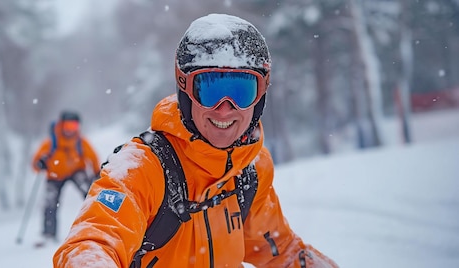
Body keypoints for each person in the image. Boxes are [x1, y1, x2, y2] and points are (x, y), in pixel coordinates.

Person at [53, 14, 338, 267]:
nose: (225, 108)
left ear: (260, 96)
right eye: (210, 88)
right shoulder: (142, 167)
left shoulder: (250, 168)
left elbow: (279, 251)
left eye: (241, 90)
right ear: (184, 89)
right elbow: (92, 241)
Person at [31, 110, 100, 244]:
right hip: (54, 175)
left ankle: (97, 223)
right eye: (67, 126)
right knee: (50, 203)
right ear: (61, 125)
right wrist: (40, 163)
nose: (70, 130)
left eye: (74, 126)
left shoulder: (80, 142)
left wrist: (97, 172)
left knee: (90, 194)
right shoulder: (51, 143)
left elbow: (93, 157)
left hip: (76, 171)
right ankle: (49, 234)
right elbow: (35, 163)